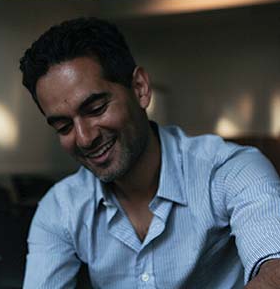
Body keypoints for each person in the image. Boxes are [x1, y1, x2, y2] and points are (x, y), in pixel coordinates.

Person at [18, 17, 280, 288]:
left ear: (140, 89)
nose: (85, 138)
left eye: (96, 109)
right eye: (64, 127)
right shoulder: (60, 208)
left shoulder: (230, 170)